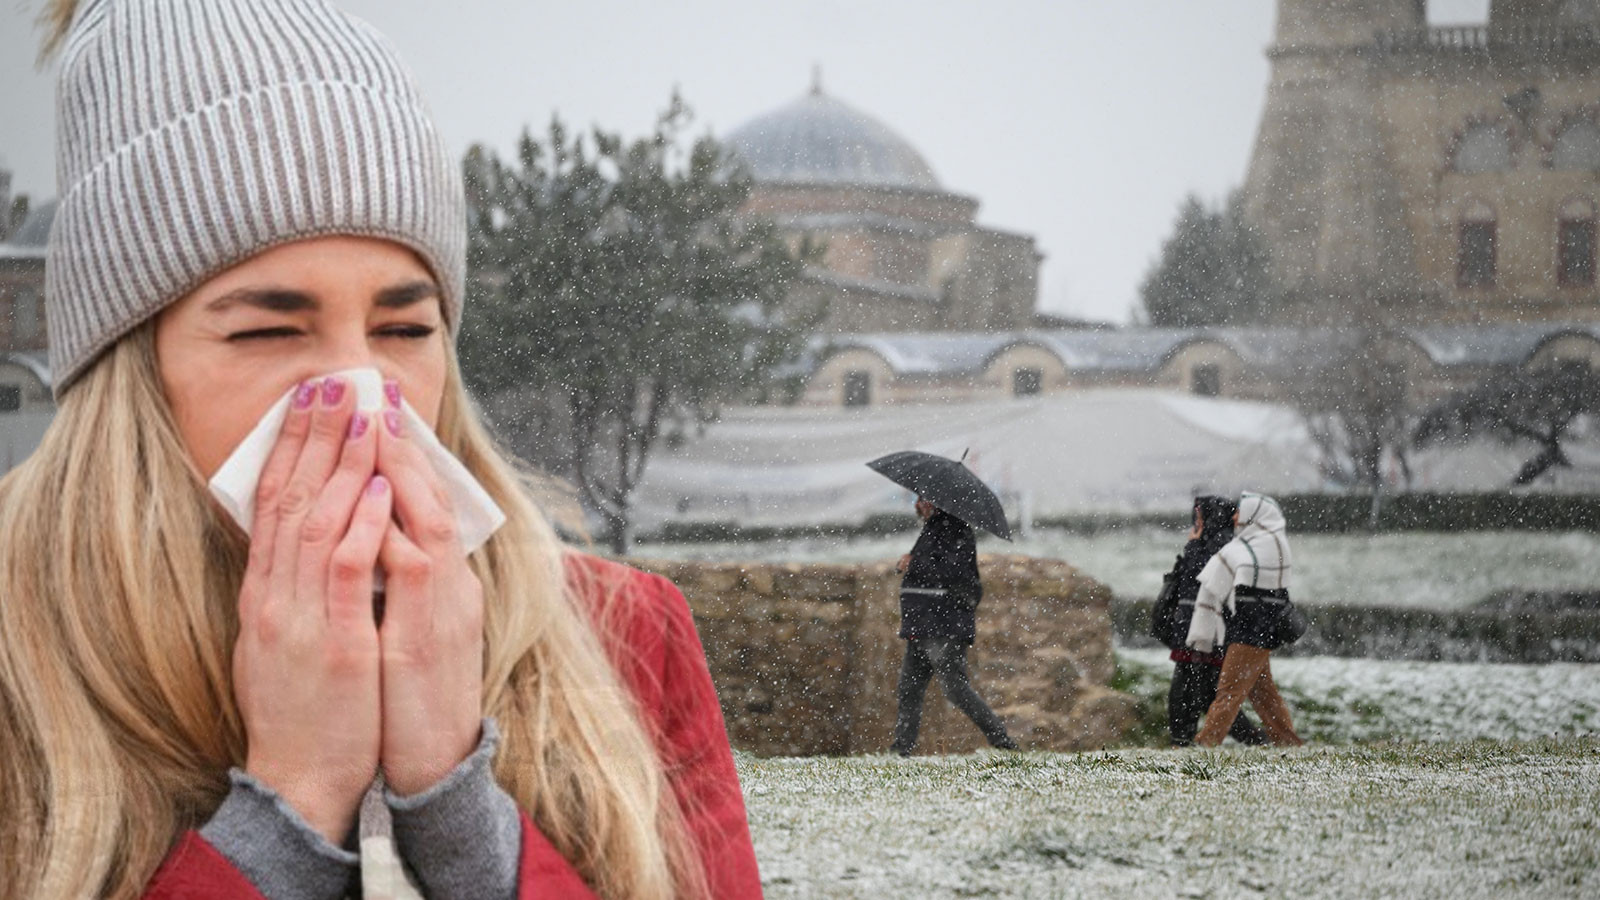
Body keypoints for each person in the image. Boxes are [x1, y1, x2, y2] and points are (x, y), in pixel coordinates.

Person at [0, 2, 759, 898]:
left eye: (403, 327)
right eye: (267, 332)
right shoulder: (20, 655)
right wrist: (291, 806)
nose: (363, 394)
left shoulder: (622, 639)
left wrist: (459, 814)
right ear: (129, 366)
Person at [889, 497, 1017, 756]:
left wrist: (915, 563)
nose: (919, 503)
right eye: (918, 498)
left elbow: (951, 571)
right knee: (909, 689)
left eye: (925, 499)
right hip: (922, 624)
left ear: (939, 502)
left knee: (955, 688)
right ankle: (900, 750)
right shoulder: (934, 528)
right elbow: (934, 567)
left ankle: (1001, 740)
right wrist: (911, 560)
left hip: (941, 624)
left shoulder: (954, 529)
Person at [1186, 492, 1305, 748]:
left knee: (1228, 690)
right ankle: (1287, 741)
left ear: (1255, 513)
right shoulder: (1246, 544)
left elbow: (1257, 591)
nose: (1236, 516)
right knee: (1263, 693)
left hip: (1253, 631)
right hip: (1250, 629)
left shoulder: (1267, 544)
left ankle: (1207, 742)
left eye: (1241, 511)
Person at [1158, 496, 1267, 747]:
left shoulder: (1220, 543)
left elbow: (1203, 577)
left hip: (1208, 629)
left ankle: (1184, 739)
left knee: (1194, 689)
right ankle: (1249, 736)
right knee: (1202, 689)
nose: (1195, 523)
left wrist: (1193, 547)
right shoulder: (1216, 541)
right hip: (1199, 627)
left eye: (1199, 518)